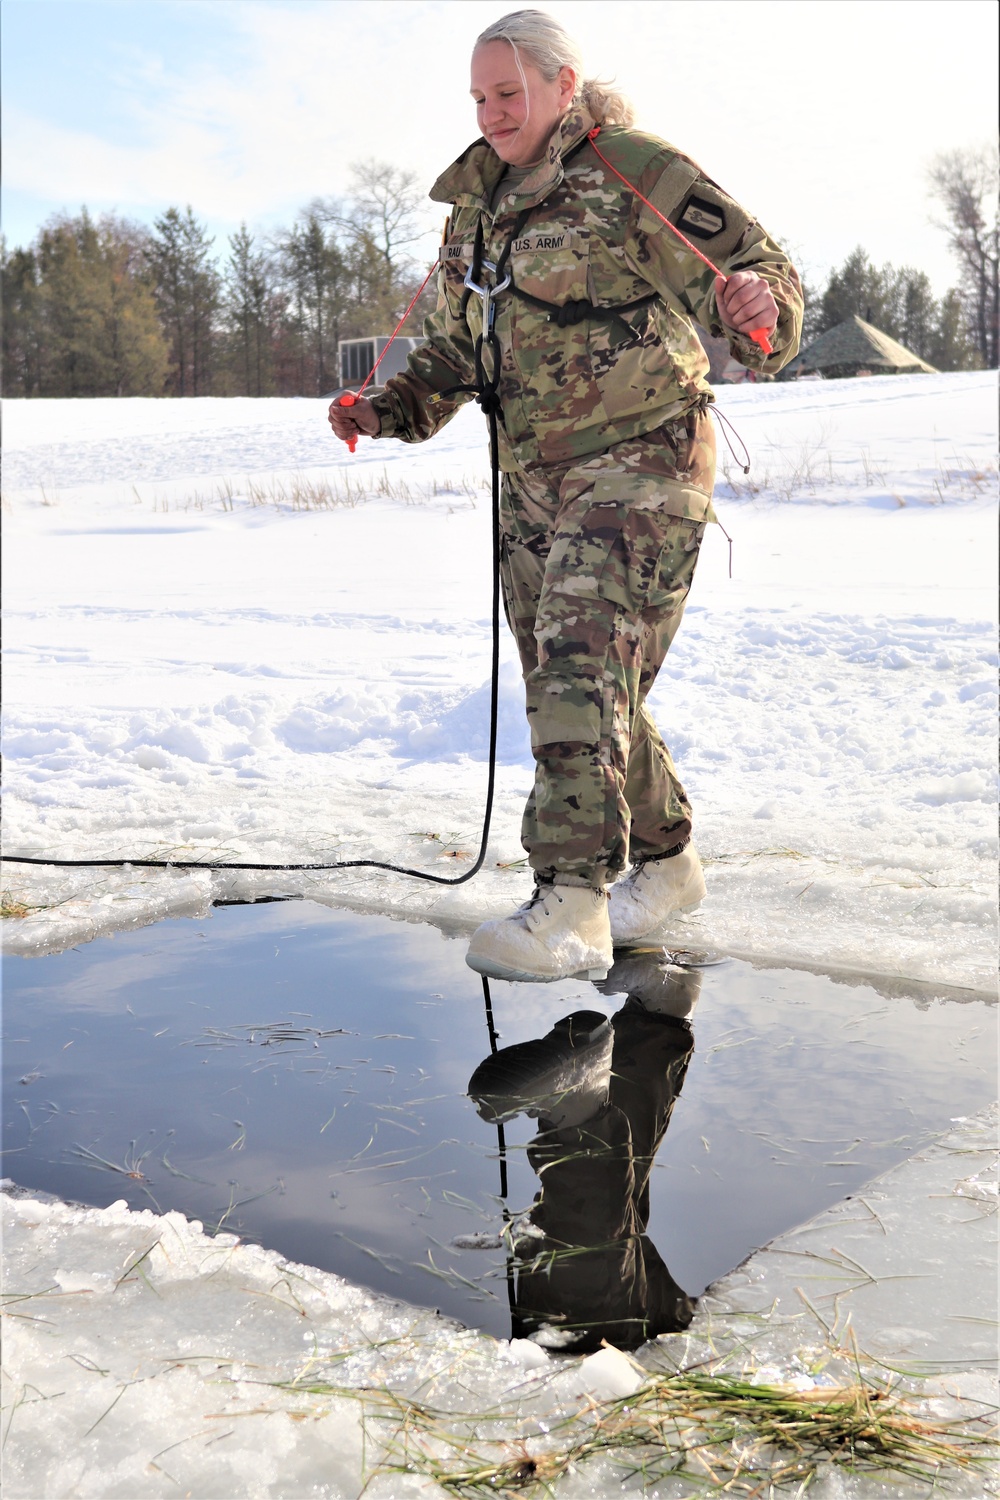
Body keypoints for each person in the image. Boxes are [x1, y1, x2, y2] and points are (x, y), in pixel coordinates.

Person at [329, 9, 803, 985]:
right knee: (577, 680)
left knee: (582, 659)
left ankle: (571, 900)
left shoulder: (632, 169)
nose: (492, 112)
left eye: (508, 93)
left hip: (645, 461)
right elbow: (458, 353)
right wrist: (384, 409)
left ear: (560, 85)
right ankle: (665, 866)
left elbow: (757, 275)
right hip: (533, 487)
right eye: (479, 97)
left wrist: (759, 313)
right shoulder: (477, 214)